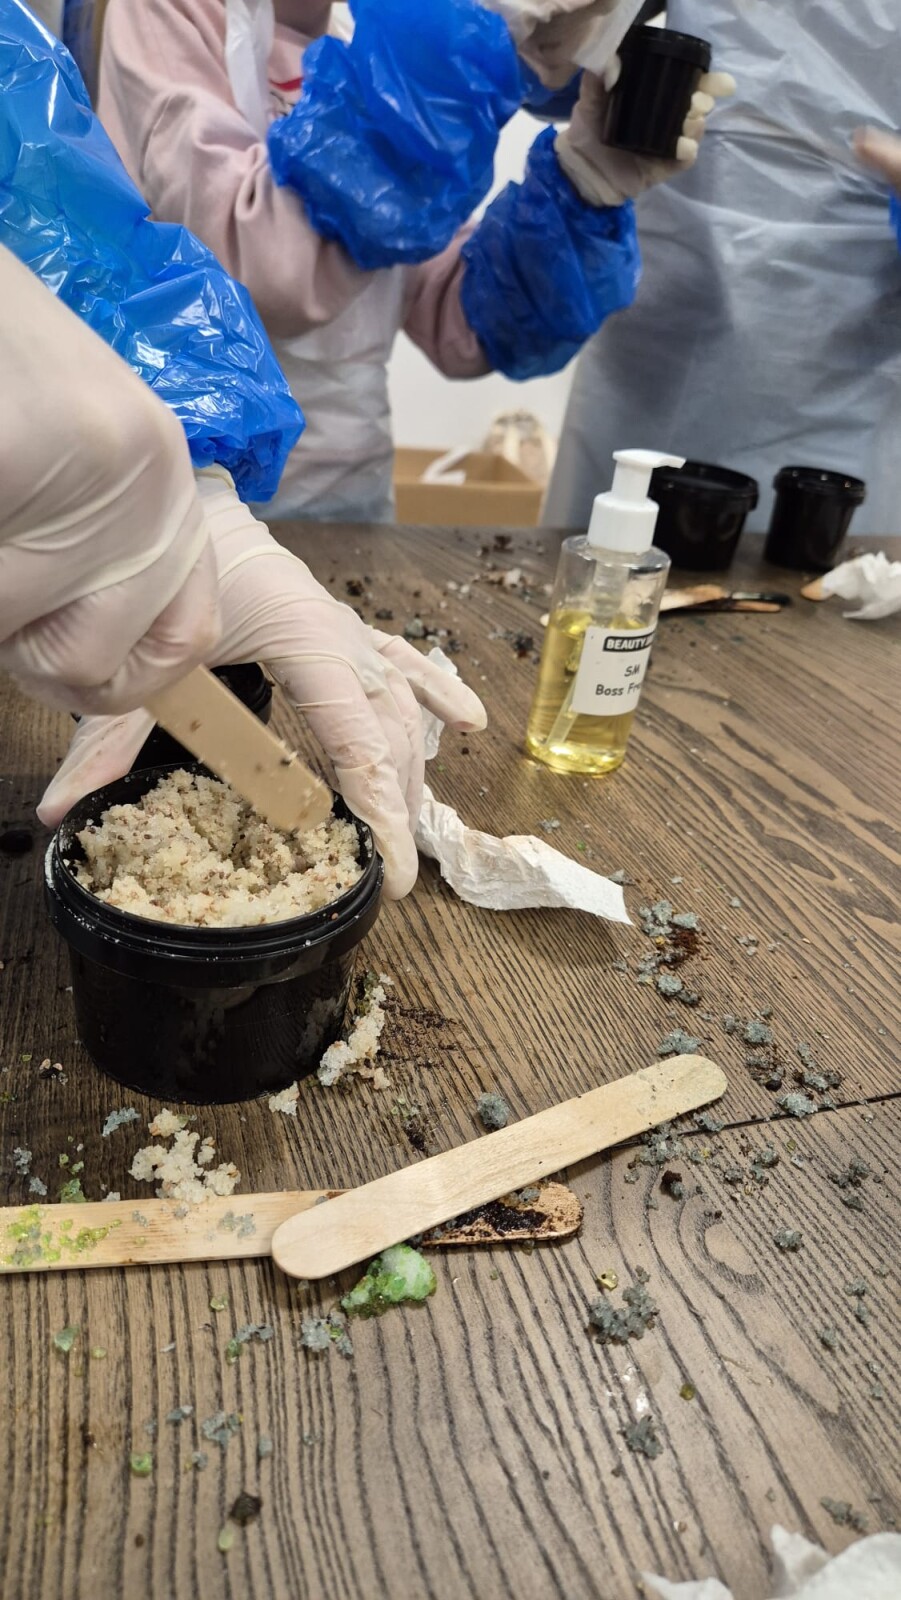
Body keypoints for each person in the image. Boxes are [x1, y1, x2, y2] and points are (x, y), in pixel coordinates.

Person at [0, 3, 486, 897]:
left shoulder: (351, 35)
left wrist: (192, 498)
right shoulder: (168, 14)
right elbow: (245, 260)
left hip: (283, 461)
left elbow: (46, 197)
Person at [96, 0, 732, 522]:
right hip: (188, 514)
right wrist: (447, 46)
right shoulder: (169, 12)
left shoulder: (365, 32)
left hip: (348, 505)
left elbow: (464, 323)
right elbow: (253, 276)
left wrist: (583, 184)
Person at [544, 1, 901, 535]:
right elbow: (555, 57)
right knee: (609, 546)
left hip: (847, 347)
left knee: (818, 563)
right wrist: (556, 42)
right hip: (664, 291)